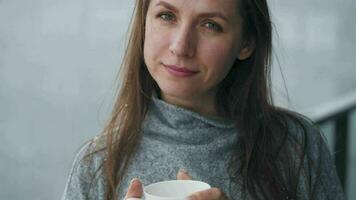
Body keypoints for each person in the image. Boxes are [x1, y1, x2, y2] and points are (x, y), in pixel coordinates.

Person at [61, 0, 345, 199]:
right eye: (167, 16)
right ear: (144, 21)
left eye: (210, 24)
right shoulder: (98, 165)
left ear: (246, 43)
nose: (181, 46)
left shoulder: (295, 144)